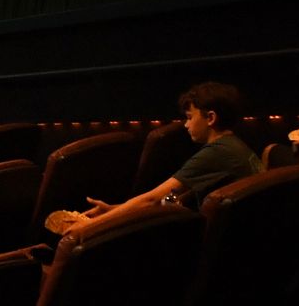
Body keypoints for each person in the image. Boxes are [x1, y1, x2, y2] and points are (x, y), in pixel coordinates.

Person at [46, 81, 263, 233]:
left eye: (189, 117)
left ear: (211, 118)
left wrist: (93, 225)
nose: (186, 124)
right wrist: (115, 210)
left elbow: (152, 198)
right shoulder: (236, 147)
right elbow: (170, 202)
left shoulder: (217, 152)